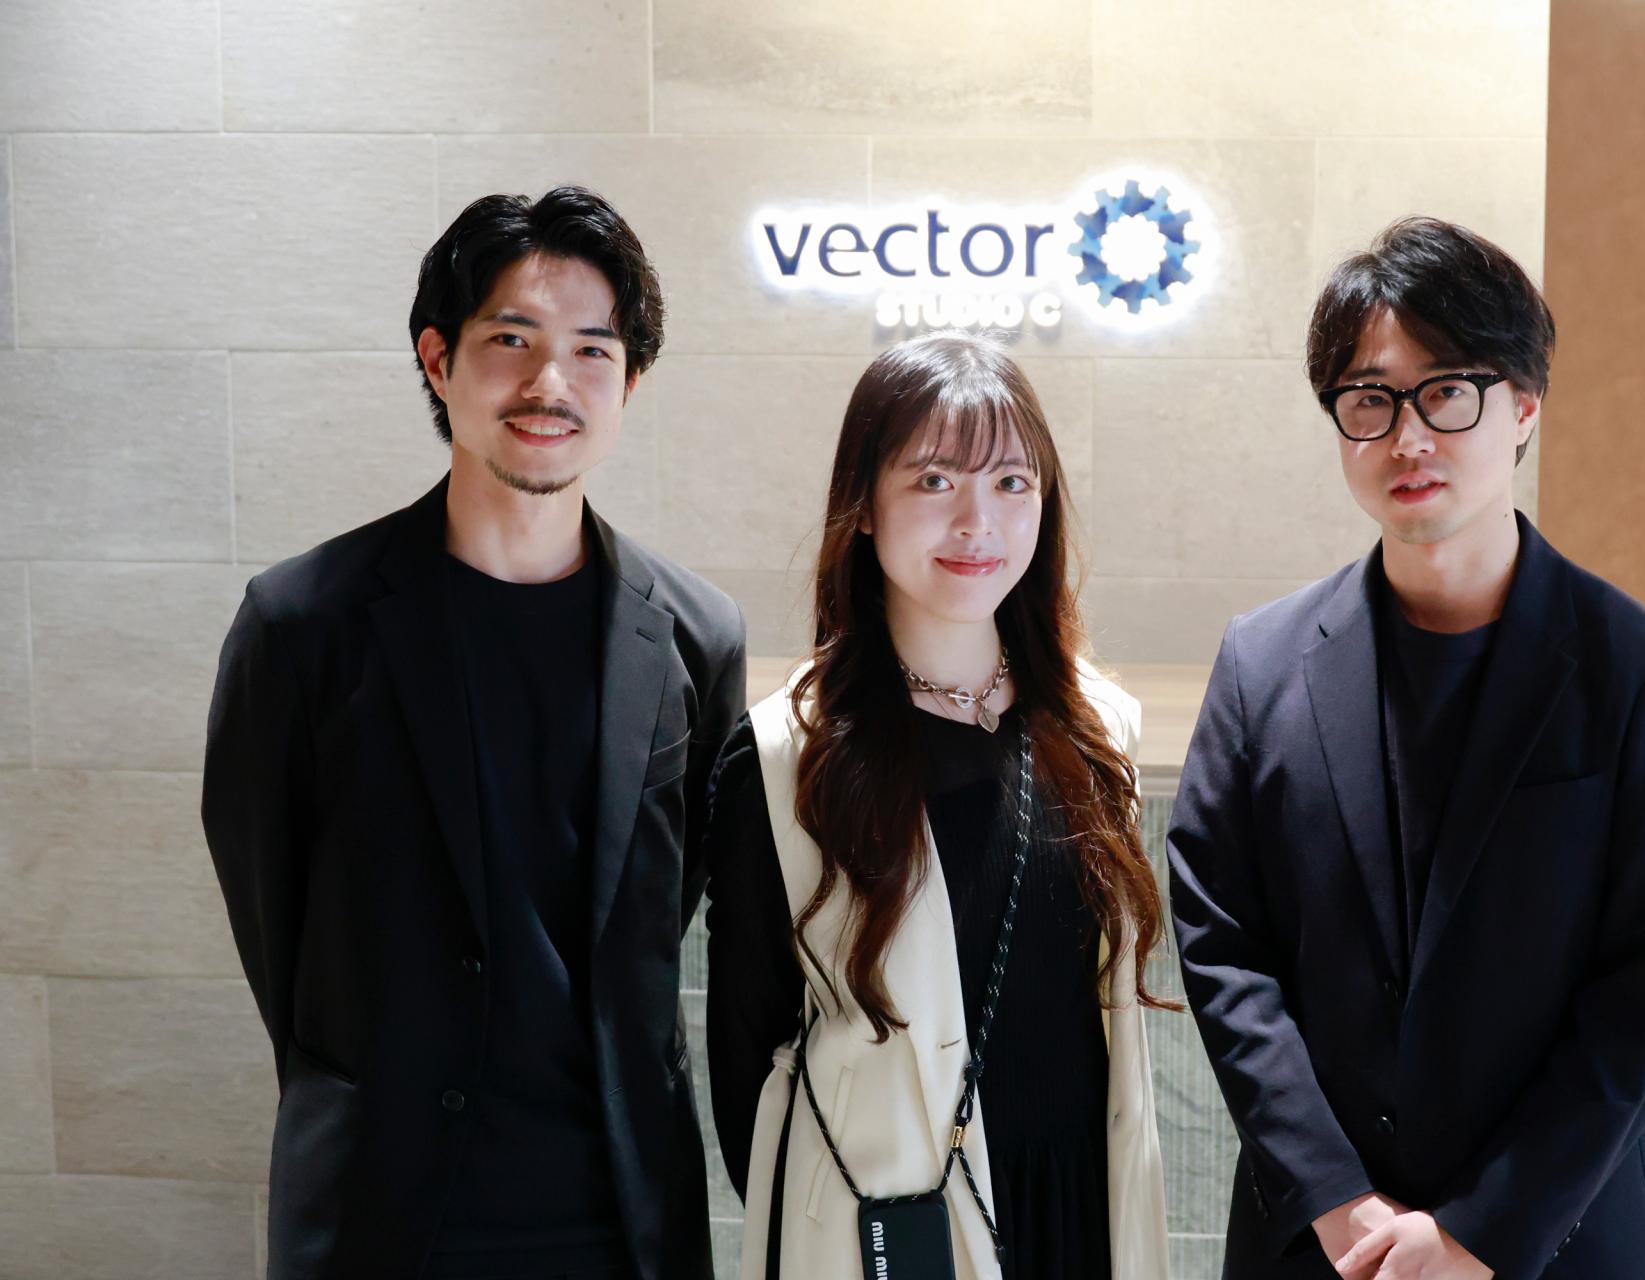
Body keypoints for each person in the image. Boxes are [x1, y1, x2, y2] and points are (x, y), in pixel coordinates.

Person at [1167, 217, 1645, 1280]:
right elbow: (1222, 945)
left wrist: (1481, 1230)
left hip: (1558, 1236)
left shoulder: (1640, 671)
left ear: (1524, 405)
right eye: (1370, 400)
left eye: (1448, 391)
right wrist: (1334, 1198)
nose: (1408, 437)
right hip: (1324, 1243)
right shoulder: (1260, 664)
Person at [202, 186, 745, 1280]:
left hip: (622, 1216)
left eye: (593, 350)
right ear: (438, 358)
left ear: (630, 383)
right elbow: (274, 914)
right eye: (511, 339)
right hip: (382, 1210)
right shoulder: (304, 624)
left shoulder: (697, 636)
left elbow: (673, 903)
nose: (552, 383)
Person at [703, 331, 1172, 1279]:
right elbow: (747, 1056)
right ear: (863, 506)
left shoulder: (1096, 727)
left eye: (1011, 482)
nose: (977, 521)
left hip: (1079, 1208)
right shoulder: (788, 756)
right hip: (888, 1220)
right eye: (933, 481)